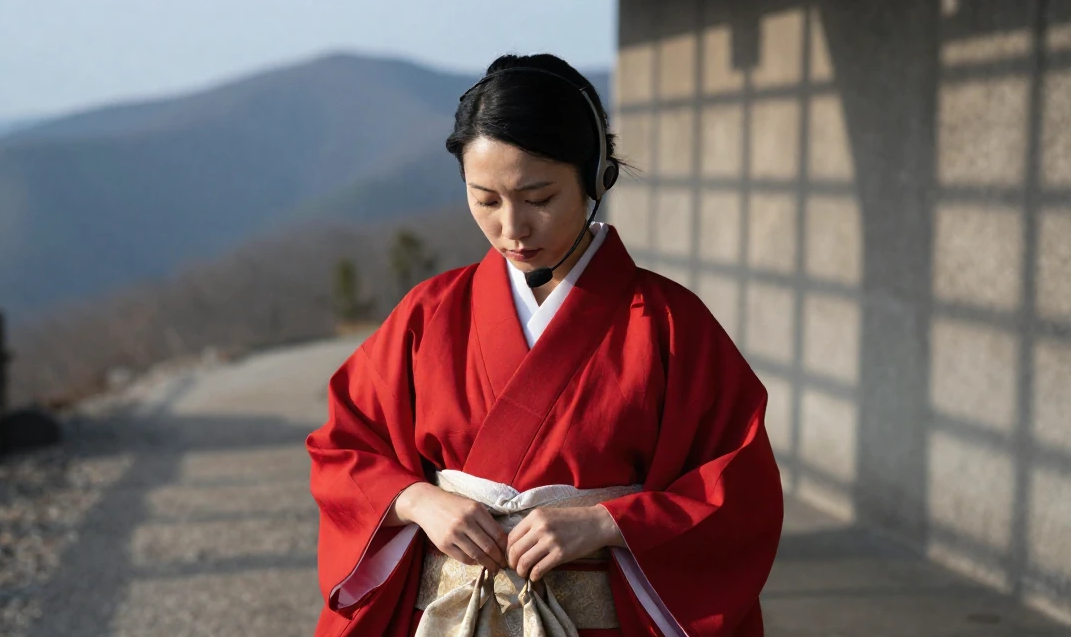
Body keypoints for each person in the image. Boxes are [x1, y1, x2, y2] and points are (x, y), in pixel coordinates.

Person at [307, 53, 783, 637]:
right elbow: (343, 447)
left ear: (596, 176)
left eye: (539, 198)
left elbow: (736, 488)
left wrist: (609, 521)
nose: (512, 227)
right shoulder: (428, 314)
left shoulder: (668, 323)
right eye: (486, 200)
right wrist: (415, 501)